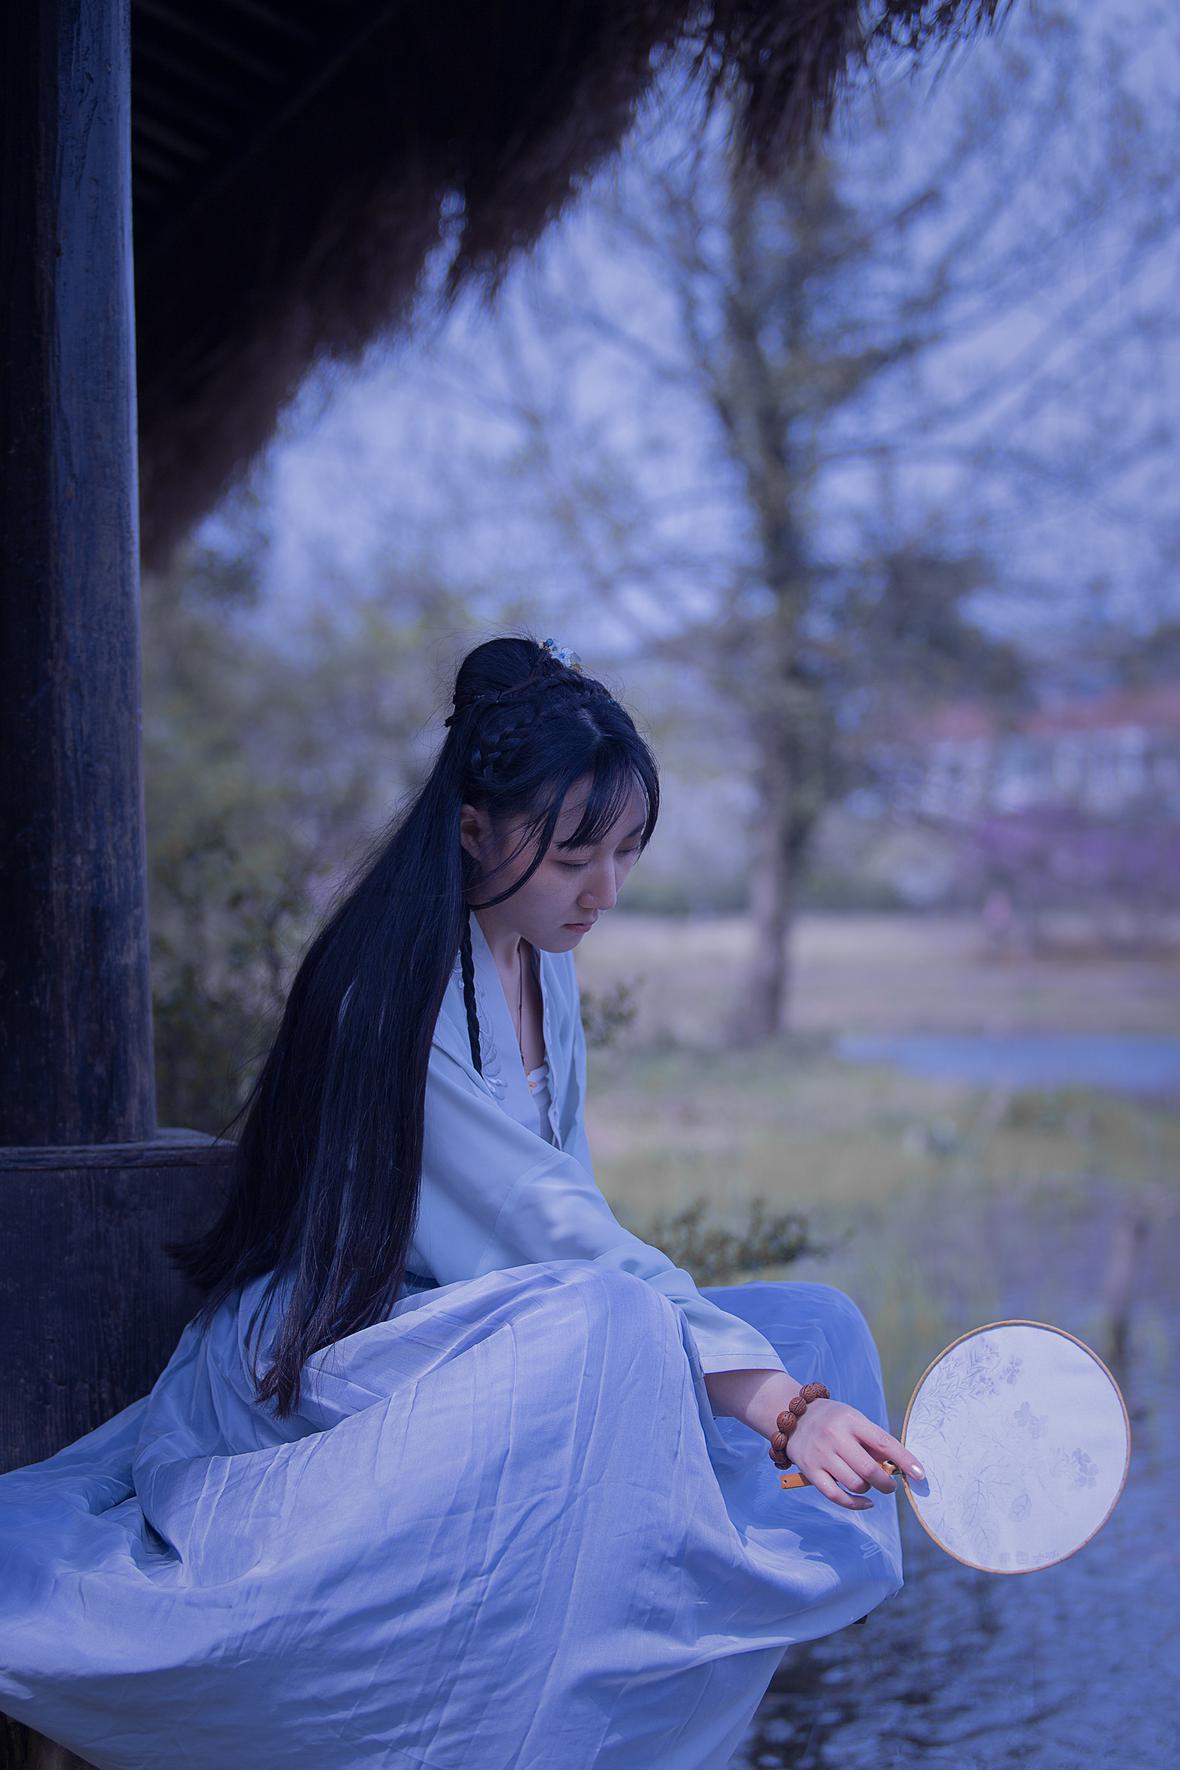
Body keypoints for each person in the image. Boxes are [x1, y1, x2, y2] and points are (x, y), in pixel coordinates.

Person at [0, 634, 918, 1770]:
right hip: (337, 1347)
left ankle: (626, 1703)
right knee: (624, 1327)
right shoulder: (393, 988)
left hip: (486, 1327)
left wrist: (785, 1384)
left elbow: (563, 1209)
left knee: (820, 1323)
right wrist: (778, 1409)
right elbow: (545, 1230)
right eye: (574, 855)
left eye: (626, 852)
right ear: (474, 829)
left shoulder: (541, 958)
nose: (605, 891)